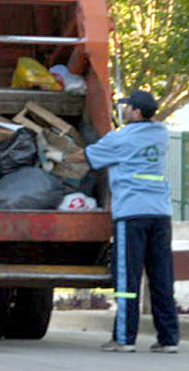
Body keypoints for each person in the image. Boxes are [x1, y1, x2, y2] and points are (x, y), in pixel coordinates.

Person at [63, 90, 180, 353]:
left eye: (127, 107)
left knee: (127, 279)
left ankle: (124, 339)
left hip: (132, 214)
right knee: (161, 277)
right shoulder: (161, 134)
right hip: (160, 214)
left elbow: (88, 156)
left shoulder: (120, 139)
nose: (123, 110)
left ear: (137, 112)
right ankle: (168, 339)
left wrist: (59, 157)